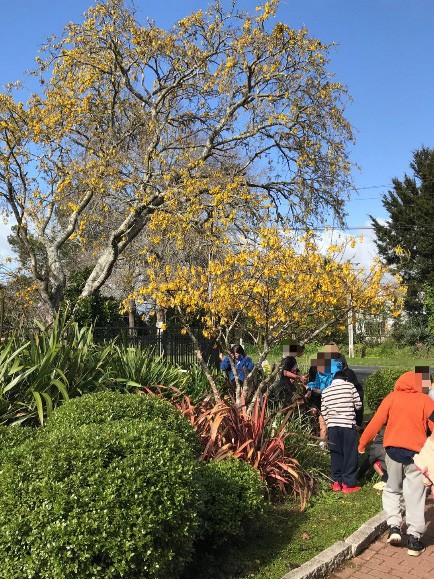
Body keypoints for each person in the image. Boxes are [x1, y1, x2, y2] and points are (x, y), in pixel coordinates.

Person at [358, 370, 434, 557]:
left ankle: (393, 526)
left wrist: (362, 443)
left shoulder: (391, 398)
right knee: (415, 494)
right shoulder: (426, 401)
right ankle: (414, 540)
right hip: (416, 454)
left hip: (392, 452)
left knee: (392, 489)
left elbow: (376, 422)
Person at [321, 369, 362, 493]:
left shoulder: (326, 391)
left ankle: (336, 482)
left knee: (336, 454)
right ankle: (348, 484)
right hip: (347, 425)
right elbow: (358, 405)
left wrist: (329, 422)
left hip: (332, 426)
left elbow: (323, 412)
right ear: (345, 379)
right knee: (349, 454)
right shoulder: (350, 386)